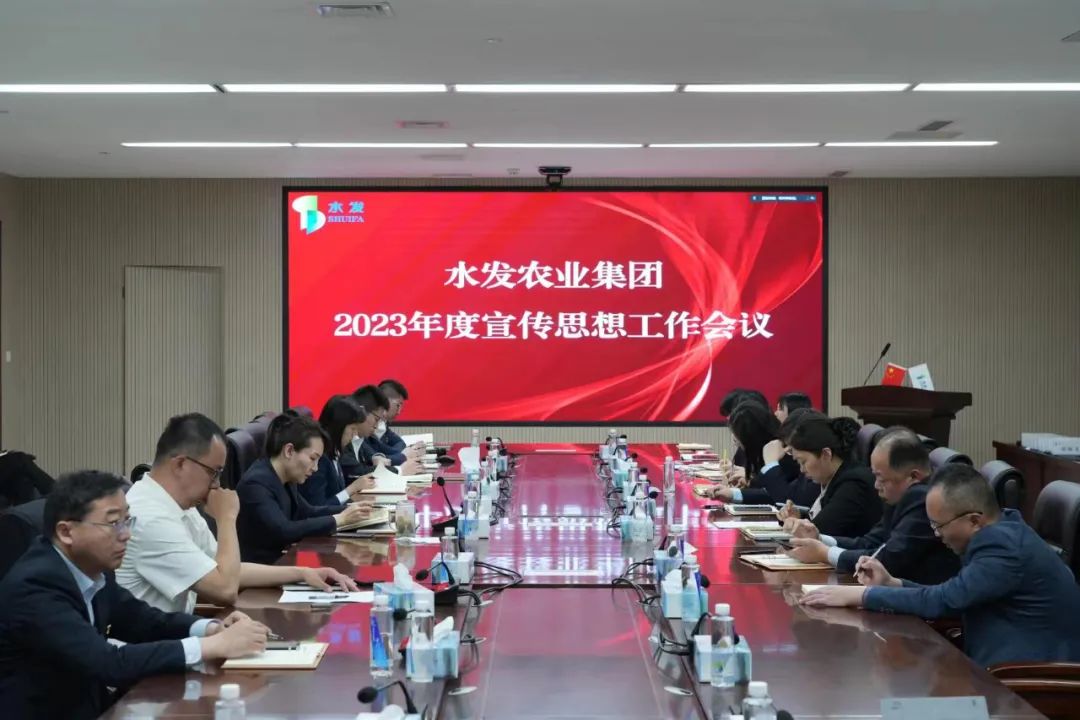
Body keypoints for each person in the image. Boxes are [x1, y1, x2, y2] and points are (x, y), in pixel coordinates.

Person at [0, 471, 268, 720]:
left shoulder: (92, 567)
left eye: (127, 520)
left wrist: (211, 629)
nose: (126, 534)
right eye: (113, 523)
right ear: (66, 532)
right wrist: (211, 647)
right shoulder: (36, 586)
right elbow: (108, 663)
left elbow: (142, 620)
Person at [802, 464, 1080, 667]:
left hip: (1024, 680)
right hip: (995, 665)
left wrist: (861, 595)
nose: (937, 535)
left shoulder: (1002, 548)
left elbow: (946, 600)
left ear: (974, 520)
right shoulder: (1003, 528)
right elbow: (957, 593)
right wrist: (892, 584)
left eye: (939, 526)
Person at [118, 413, 358, 614]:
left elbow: (229, 572)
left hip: (179, 633)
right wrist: (226, 518)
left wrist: (303, 573)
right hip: (152, 648)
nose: (216, 484)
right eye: (213, 472)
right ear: (181, 464)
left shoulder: (179, 504)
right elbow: (225, 589)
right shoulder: (150, 518)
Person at [786, 427, 960, 585]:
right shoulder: (904, 496)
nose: (876, 485)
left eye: (881, 478)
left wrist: (825, 554)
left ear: (913, 477)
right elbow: (871, 542)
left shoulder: (925, 500)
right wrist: (819, 538)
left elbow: (887, 559)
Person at [236, 412, 374, 564]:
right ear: (289, 451)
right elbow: (283, 530)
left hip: (284, 563)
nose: (315, 468)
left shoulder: (286, 477)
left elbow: (308, 511)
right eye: (312, 459)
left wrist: (353, 510)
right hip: (263, 570)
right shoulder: (256, 483)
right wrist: (338, 520)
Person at [778, 415, 881, 537]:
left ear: (826, 454)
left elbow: (816, 533)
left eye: (803, 462)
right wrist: (798, 517)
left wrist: (798, 524)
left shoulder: (854, 485)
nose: (802, 470)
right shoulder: (836, 478)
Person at [706, 401, 815, 506]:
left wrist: (771, 464)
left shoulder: (785, 455)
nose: (735, 440)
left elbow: (786, 499)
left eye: (737, 437)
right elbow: (772, 492)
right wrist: (733, 493)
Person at [300, 396, 377, 507]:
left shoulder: (335, 451)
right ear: (339, 426)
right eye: (352, 429)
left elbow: (336, 495)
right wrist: (351, 489)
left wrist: (352, 497)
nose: (355, 434)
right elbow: (318, 507)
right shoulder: (319, 458)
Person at [352, 384, 424, 474]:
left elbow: (381, 453)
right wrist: (400, 464)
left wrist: (399, 456)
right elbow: (359, 470)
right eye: (398, 405)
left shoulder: (374, 428)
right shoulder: (350, 437)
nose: (377, 426)